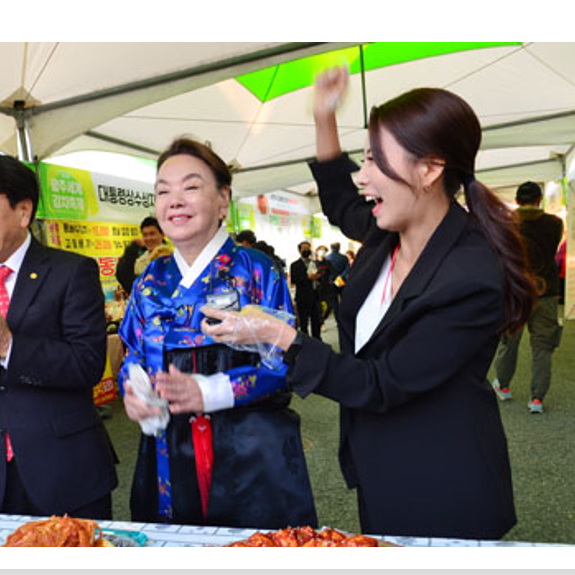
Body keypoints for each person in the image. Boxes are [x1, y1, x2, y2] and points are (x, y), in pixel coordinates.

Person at [201, 68, 534, 539]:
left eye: (377, 161)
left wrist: (281, 337)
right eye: (364, 159)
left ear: (430, 168)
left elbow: (383, 382)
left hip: (443, 480)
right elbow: (339, 200)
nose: (363, 176)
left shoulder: (471, 277)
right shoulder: (387, 234)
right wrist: (323, 116)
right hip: (378, 463)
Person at [119, 137, 316, 529]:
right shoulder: (149, 281)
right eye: (163, 191)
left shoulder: (258, 271)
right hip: (169, 451)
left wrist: (209, 391)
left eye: (190, 187)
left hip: (250, 450)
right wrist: (136, 390)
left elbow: (285, 365)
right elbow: (133, 355)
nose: (174, 200)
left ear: (223, 199)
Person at [0, 153, 117, 518]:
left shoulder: (71, 271)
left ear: (23, 210)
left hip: (66, 468)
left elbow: (88, 364)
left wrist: (9, 346)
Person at [489, 182, 564, 414]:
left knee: (509, 342)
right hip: (546, 290)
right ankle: (537, 399)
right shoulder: (555, 223)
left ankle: (503, 385)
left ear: (517, 199)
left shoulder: (505, 223)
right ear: (540, 199)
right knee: (542, 346)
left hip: (516, 290)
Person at [115, 216, 168, 295]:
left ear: (163, 234)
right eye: (145, 235)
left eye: (152, 234)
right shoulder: (140, 261)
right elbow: (127, 281)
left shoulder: (174, 258)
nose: (148, 238)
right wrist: (131, 249)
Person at [290, 240, 323, 338]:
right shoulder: (295, 265)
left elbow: (321, 278)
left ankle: (317, 340)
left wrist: (319, 277)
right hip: (302, 297)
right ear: (299, 250)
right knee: (304, 322)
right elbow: (294, 280)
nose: (306, 250)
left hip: (315, 296)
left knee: (316, 321)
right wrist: (308, 278)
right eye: (304, 248)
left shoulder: (315, 263)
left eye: (308, 248)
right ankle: (306, 342)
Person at [325, 242, 350, 320]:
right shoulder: (344, 257)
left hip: (331, 281)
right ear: (339, 247)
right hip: (342, 281)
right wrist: (341, 277)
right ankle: (344, 316)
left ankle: (337, 318)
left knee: (335, 301)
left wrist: (331, 278)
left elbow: (326, 271)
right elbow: (347, 269)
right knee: (344, 300)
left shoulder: (327, 258)